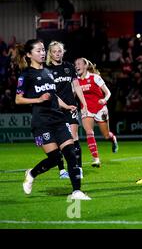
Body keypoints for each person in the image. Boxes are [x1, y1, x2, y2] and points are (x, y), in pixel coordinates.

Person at [15, 39, 90, 200]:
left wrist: (67, 106)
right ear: (29, 54)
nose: (42, 53)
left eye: (43, 50)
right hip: (41, 123)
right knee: (55, 158)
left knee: (70, 153)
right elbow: (18, 100)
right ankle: (32, 173)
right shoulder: (26, 75)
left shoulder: (48, 72)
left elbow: (54, 96)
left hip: (58, 119)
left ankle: (77, 191)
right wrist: (38, 100)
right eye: (38, 51)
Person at [47, 41, 87, 179]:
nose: (57, 53)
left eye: (59, 51)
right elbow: (52, 93)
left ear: (63, 52)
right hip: (55, 109)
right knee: (59, 140)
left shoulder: (69, 67)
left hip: (71, 107)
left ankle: (78, 168)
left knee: (74, 138)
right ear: (50, 53)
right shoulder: (47, 70)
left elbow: (76, 86)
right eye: (55, 51)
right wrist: (63, 105)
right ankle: (62, 170)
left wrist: (84, 103)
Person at [75, 57, 118, 168]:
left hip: (100, 108)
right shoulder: (75, 81)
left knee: (106, 135)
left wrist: (104, 100)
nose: (77, 66)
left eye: (79, 63)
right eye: (75, 64)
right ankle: (96, 159)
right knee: (89, 133)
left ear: (85, 66)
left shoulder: (95, 77)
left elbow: (108, 93)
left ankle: (112, 139)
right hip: (86, 109)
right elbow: (72, 95)